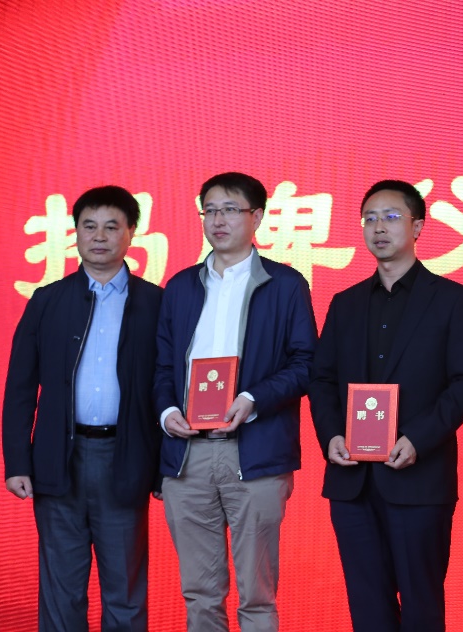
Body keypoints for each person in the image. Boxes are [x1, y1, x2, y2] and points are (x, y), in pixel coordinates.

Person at [309, 179, 463, 632]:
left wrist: (418, 439)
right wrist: (332, 435)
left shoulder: (452, 300)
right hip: (352, 482)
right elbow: (321, 379)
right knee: (367, 606)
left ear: (418, 226)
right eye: (369, 219)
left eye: (391, 217)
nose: (378, 228)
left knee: (422, 605)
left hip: (418, 478)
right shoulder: (344, 303)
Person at [154, 172, 317, 631]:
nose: (218, 220)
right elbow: (161, 366)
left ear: (257, 217)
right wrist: (167, 413)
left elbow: (306, 363)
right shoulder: (180, 287)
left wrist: (252, 398)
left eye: (230, 209)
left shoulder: (285, 284)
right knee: (199, 593)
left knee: (257, 594)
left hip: (255, 452)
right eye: (209, 210)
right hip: (187, 456)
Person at [2, 185, 163, 631]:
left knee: (125, 592)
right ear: (75, 233)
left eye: (112, 226)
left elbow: (168, 389)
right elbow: (19, 389)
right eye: (89, 226)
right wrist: (17, 462)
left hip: (125, 460)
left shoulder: (156, 303)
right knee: (61, 592)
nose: (99, 236)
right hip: (58, 460)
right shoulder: (47, 300)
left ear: (132, 232)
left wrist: (164, 468)